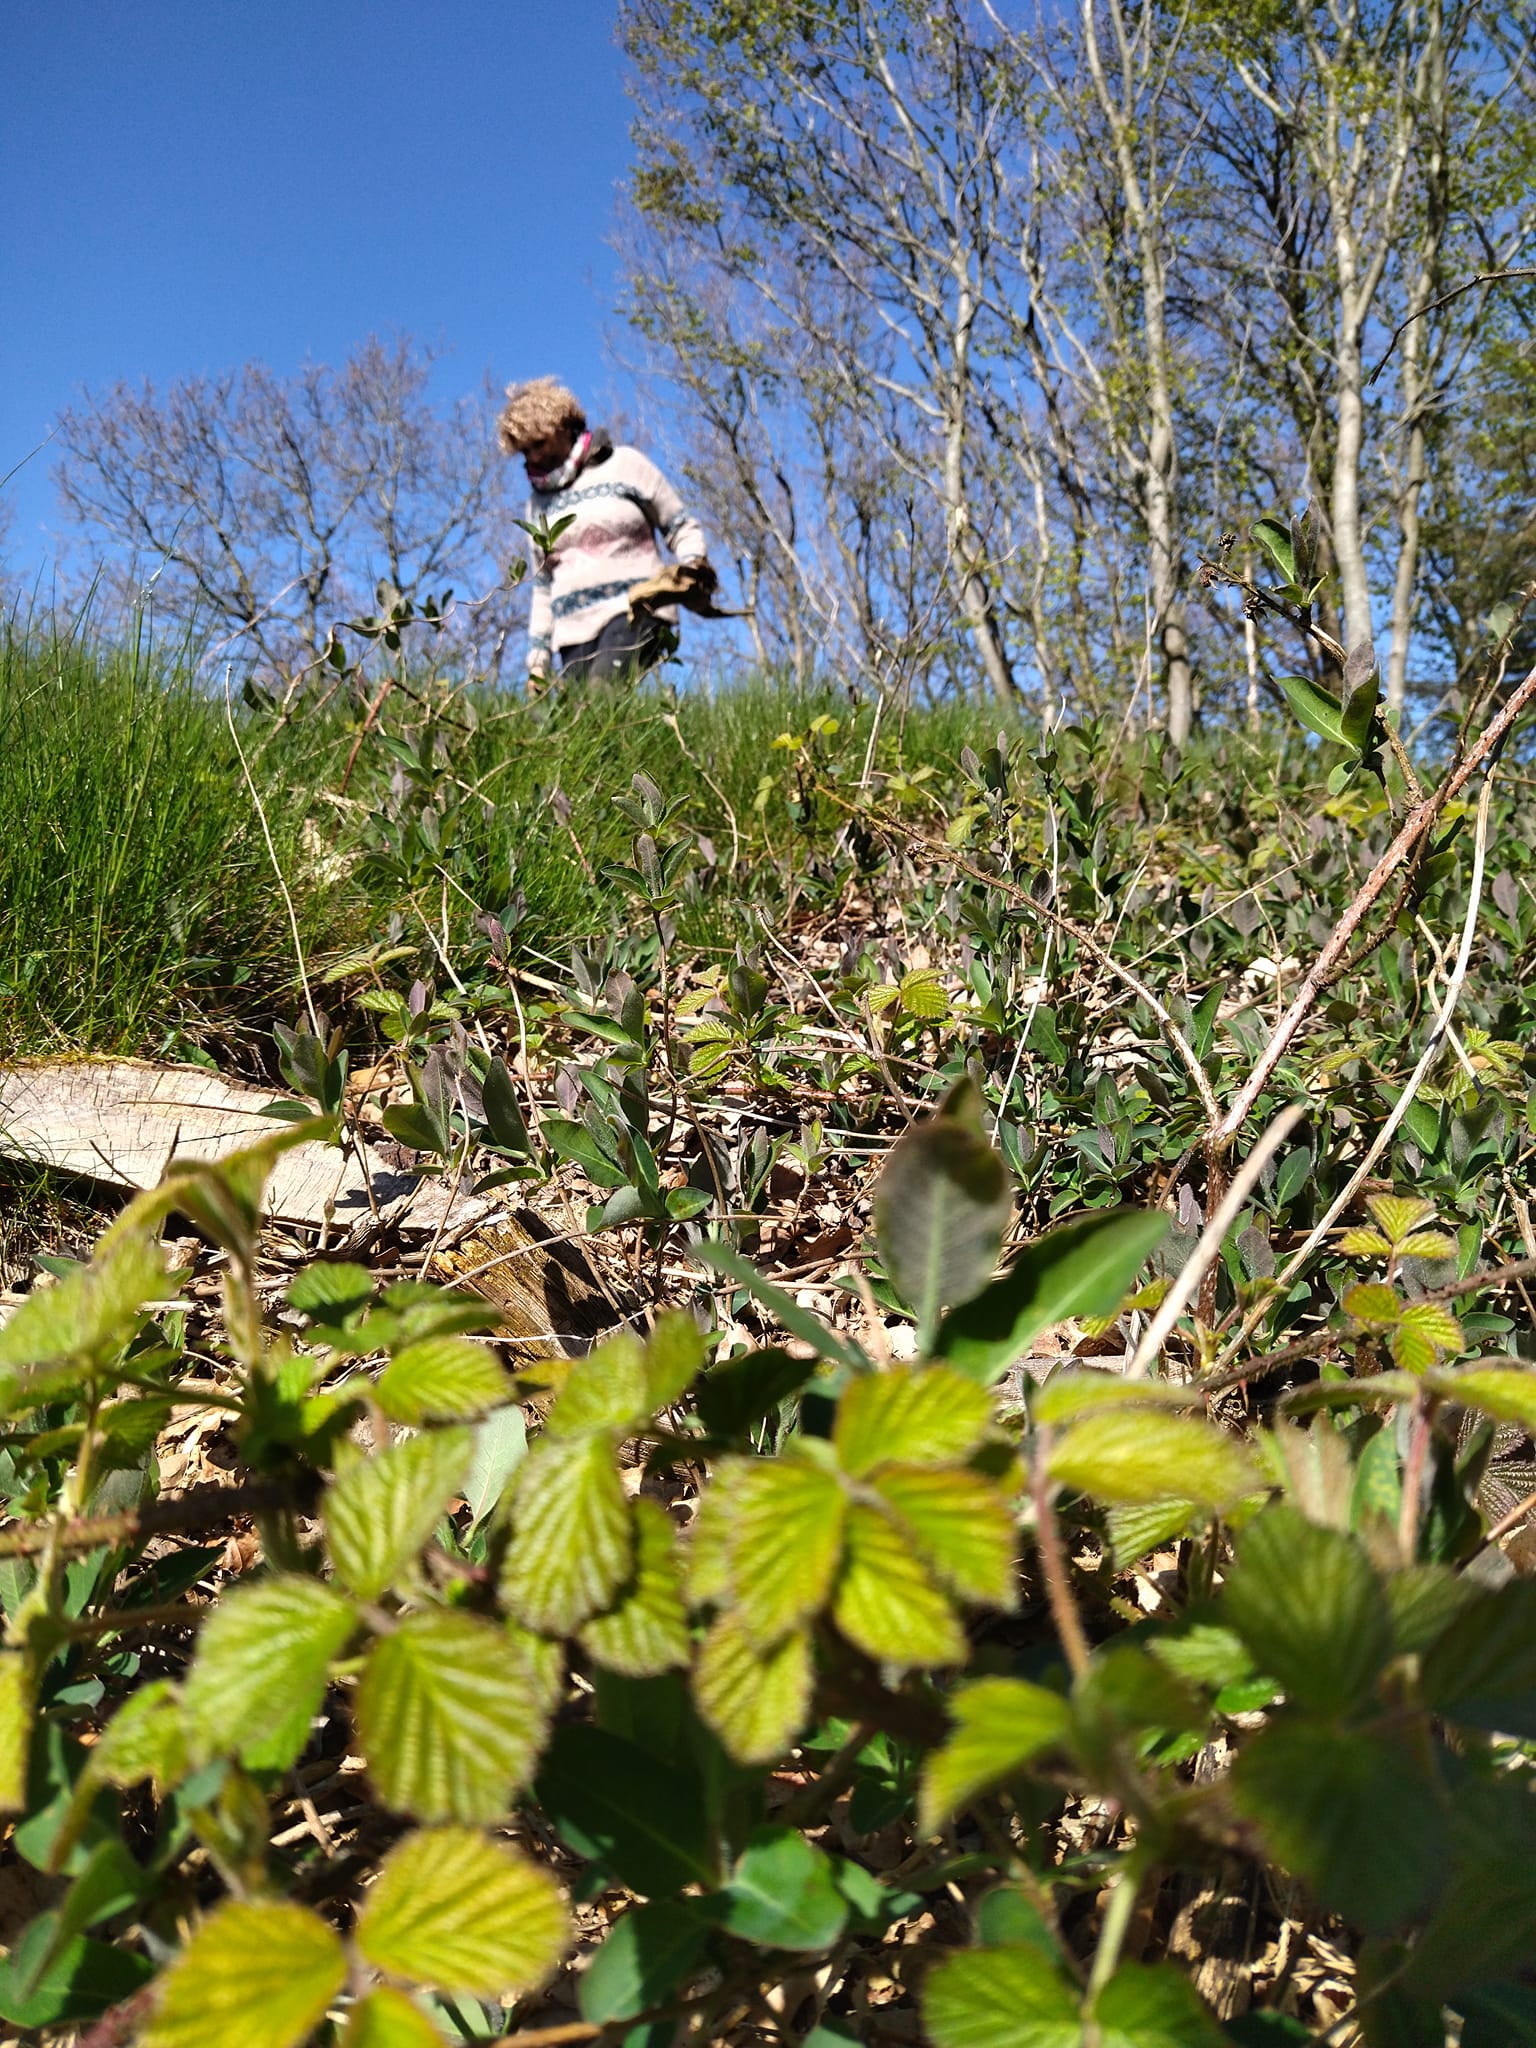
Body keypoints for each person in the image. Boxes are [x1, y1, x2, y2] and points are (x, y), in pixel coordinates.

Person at [497, 377, 715, 691]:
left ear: (564, 427)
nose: (532, 457)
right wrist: (537, 661)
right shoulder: (538, 504)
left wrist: (693, 567)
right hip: (572, 631)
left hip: (637, 607)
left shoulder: (625, 465)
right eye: (524, 451)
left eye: (539, 444)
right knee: (585, 724)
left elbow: (680, 525)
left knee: (603, 692)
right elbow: (542, 585)